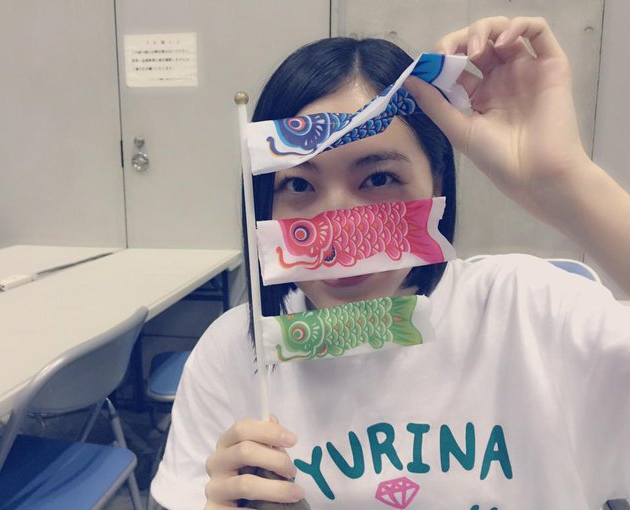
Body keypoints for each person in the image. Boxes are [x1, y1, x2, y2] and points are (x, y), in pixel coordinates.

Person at [150, 16, 630, 509]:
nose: (338, 234)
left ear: (436, 182)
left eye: (378, 179)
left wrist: (565, 182)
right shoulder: (233, 352)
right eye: (298, 184)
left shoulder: (532, 313)